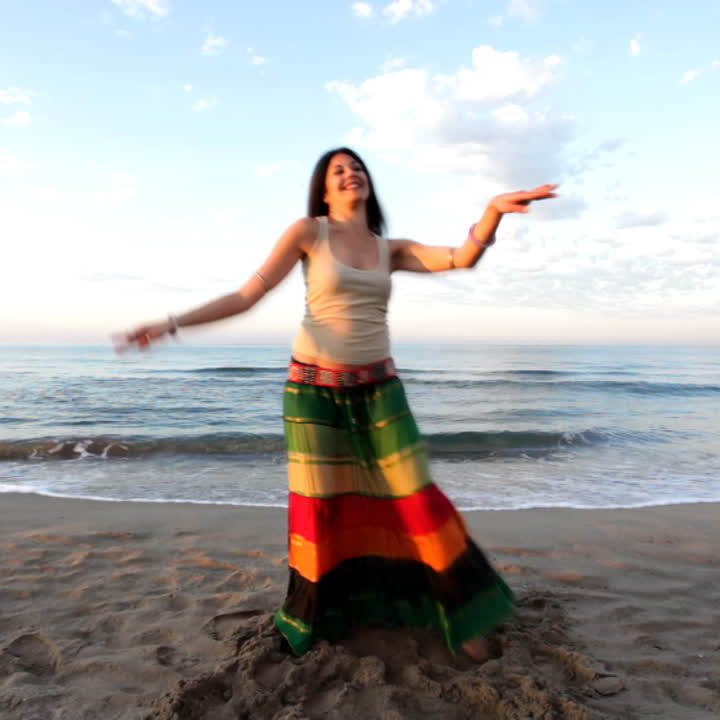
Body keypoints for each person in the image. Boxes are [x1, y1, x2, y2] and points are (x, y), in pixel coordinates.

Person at [117, 147, 557, 659]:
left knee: (418, 502)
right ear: (324, 191)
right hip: (313, 394)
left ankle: (463, 615)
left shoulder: (389, 248)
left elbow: (461, 258)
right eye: (338, 171)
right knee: (321, 514)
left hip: (379, 392)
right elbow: (246, 296)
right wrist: (171, 324)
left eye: (357, 168)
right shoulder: (309, 233)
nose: (351, 175)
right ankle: (317, 618)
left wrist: (493, 212)